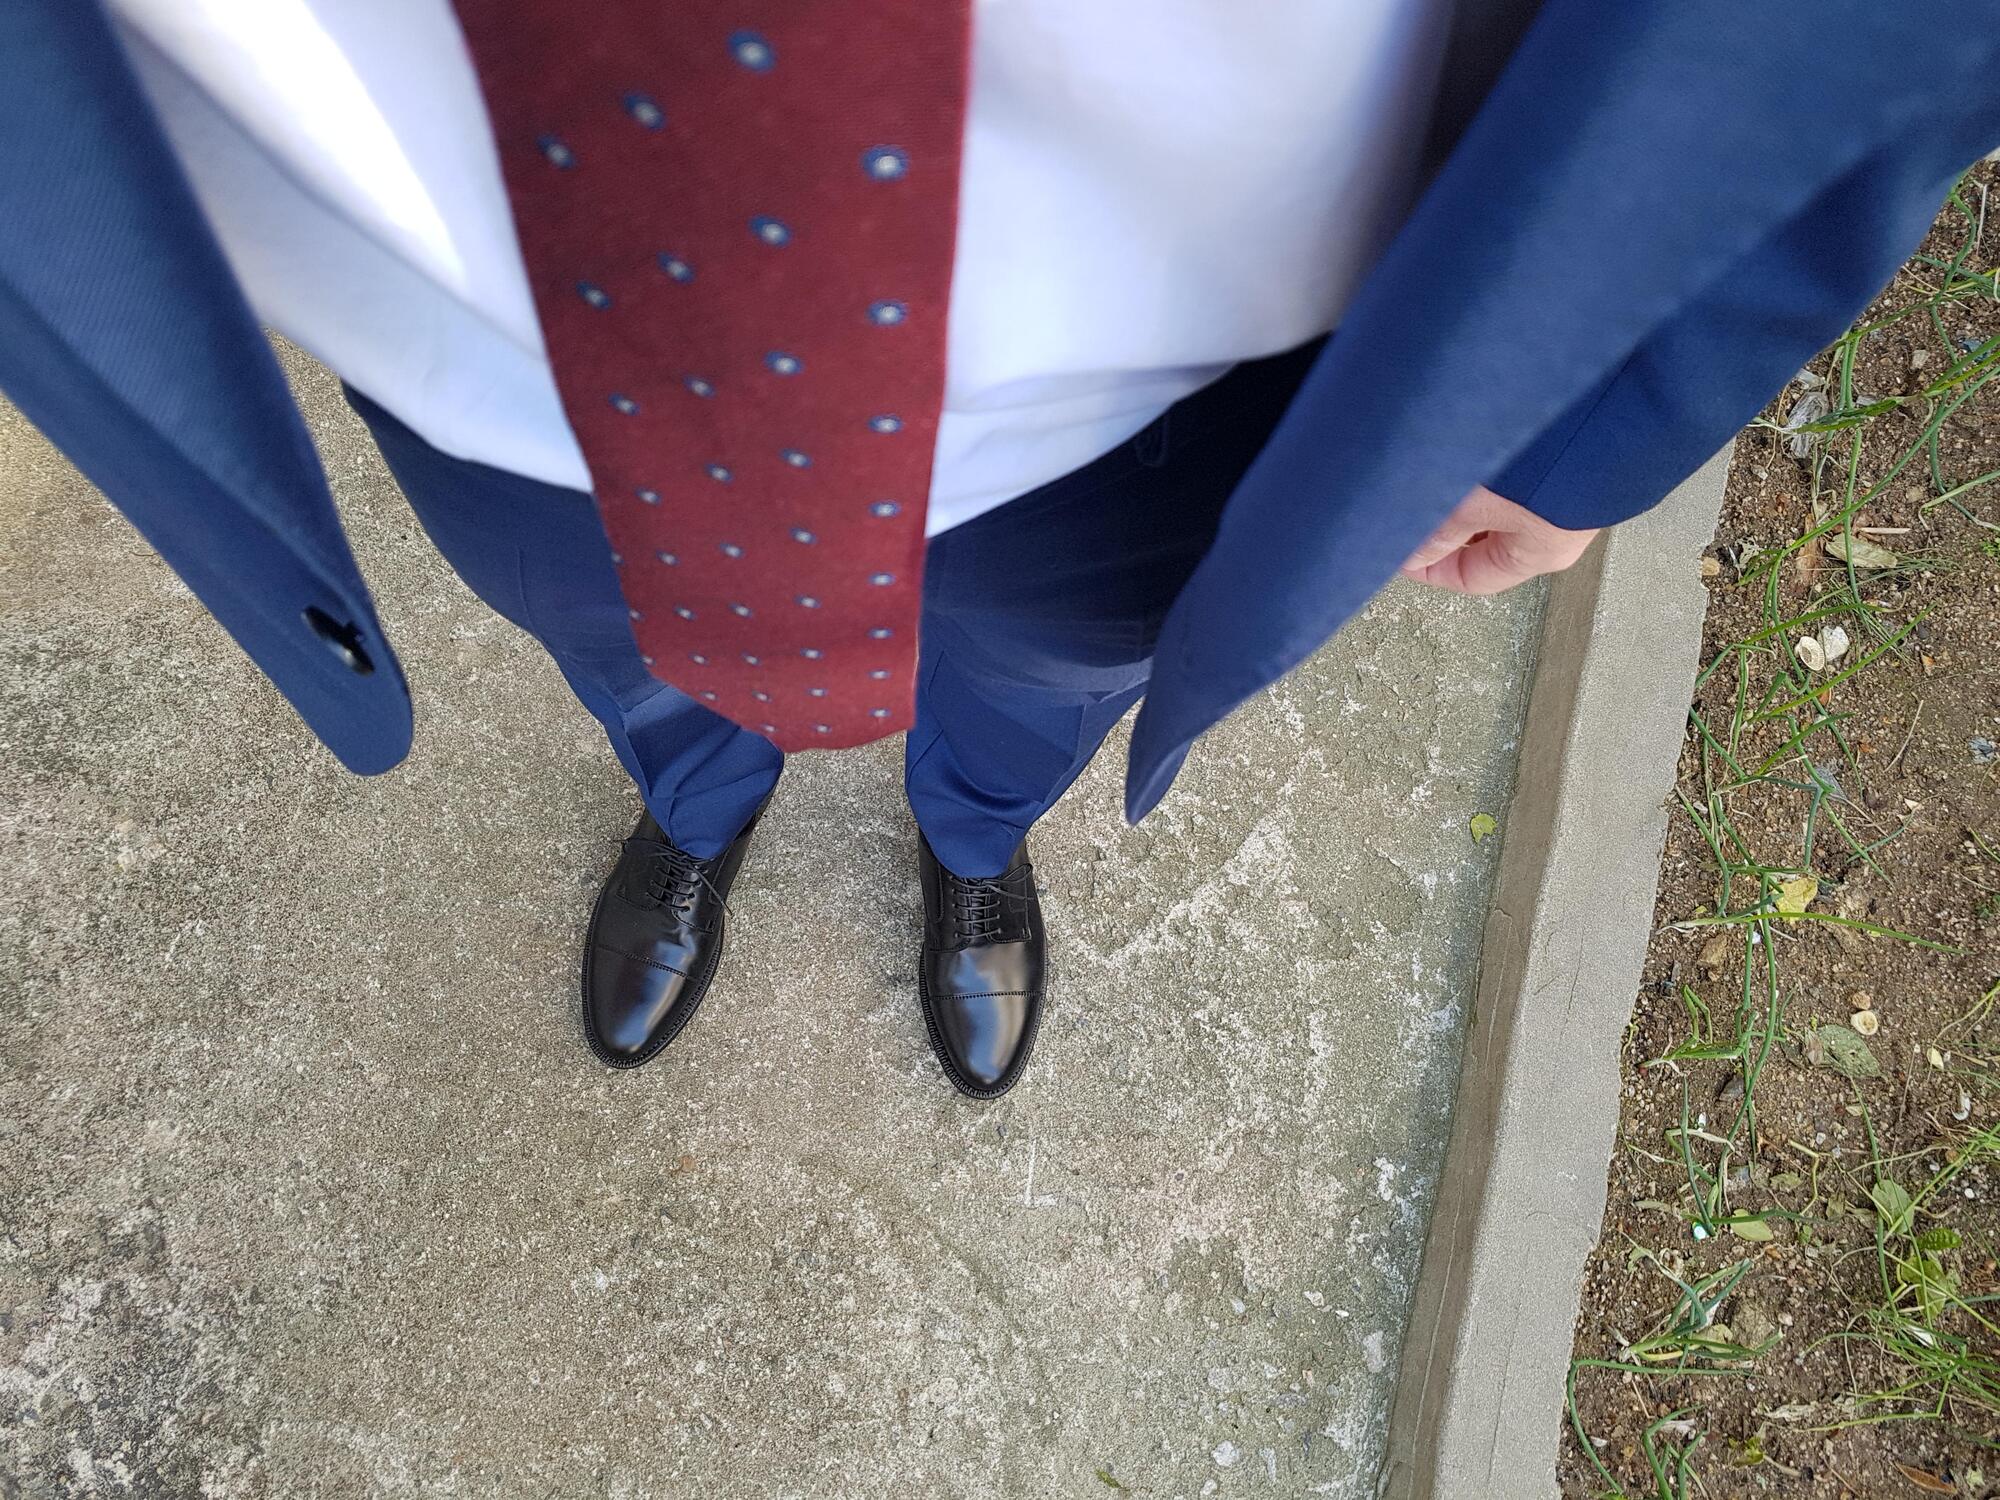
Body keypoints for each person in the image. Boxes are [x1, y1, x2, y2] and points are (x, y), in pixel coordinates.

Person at [3, 0, 1995, 1098]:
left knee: (1057, 666)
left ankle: (976, 838)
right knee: (620, 647)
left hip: (1191, 354)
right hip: (469, 321)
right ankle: (695, 805)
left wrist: (1614, 400)